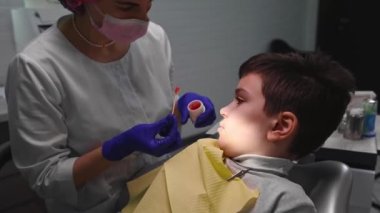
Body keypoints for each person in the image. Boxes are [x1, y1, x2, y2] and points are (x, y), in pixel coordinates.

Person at [5, 0, 216, 212]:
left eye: (147, 7)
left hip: (160, 186)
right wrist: (114, 150)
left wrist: (182, 108)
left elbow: (158, 110)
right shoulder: (35, 69)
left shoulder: (154, 38)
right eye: (127, 7)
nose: (143, 22)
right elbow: (46, 179)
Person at [122, 52, 356, 213]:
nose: (224, 110)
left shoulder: (284, 200)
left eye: (240, 101)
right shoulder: (203, 151)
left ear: (281, 126)